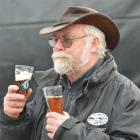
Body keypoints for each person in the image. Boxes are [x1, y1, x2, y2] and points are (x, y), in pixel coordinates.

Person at [0, 6, 140, 140]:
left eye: (67, 40)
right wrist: (13, 117)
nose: (58, 47)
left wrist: (69, 131)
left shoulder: (126, 95)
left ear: (94, 44)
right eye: (55, 39)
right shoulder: (47, 85)